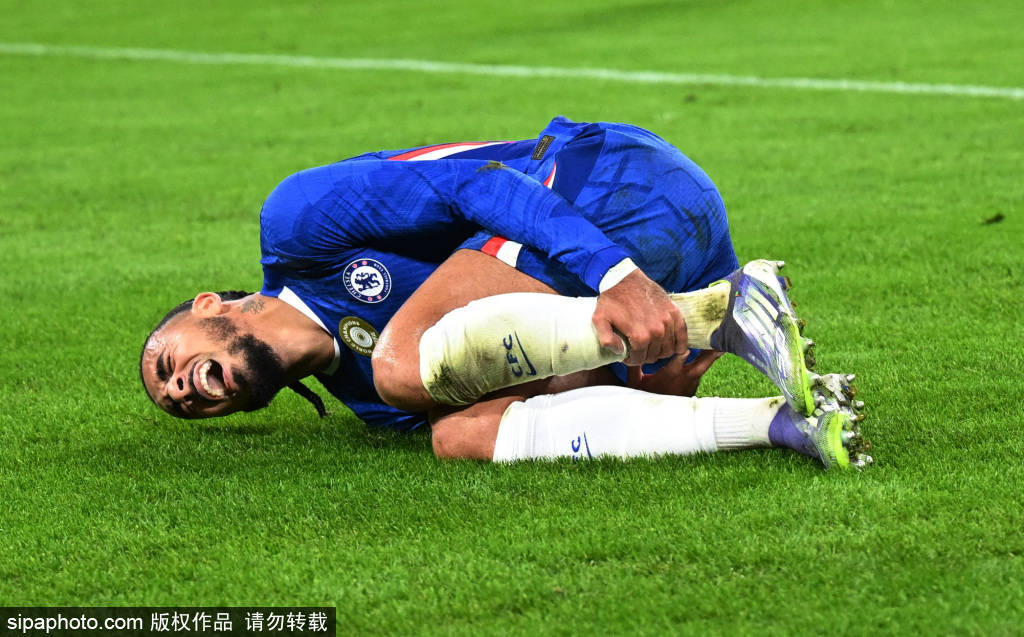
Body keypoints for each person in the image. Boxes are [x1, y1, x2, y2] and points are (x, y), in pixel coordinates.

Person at [140, 116, 871, 469]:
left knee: (403, 365)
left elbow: (475, 183)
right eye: (175, 401)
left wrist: (615, 275)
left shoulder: (295, 225)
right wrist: (642, 382)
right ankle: (783, 424)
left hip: (612, 183)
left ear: (209, 305)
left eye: (166, 361)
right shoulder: (370, 404)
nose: (177, 389)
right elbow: (554, 387)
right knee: (459, 436)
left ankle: (721, 316)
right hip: (662, 260)